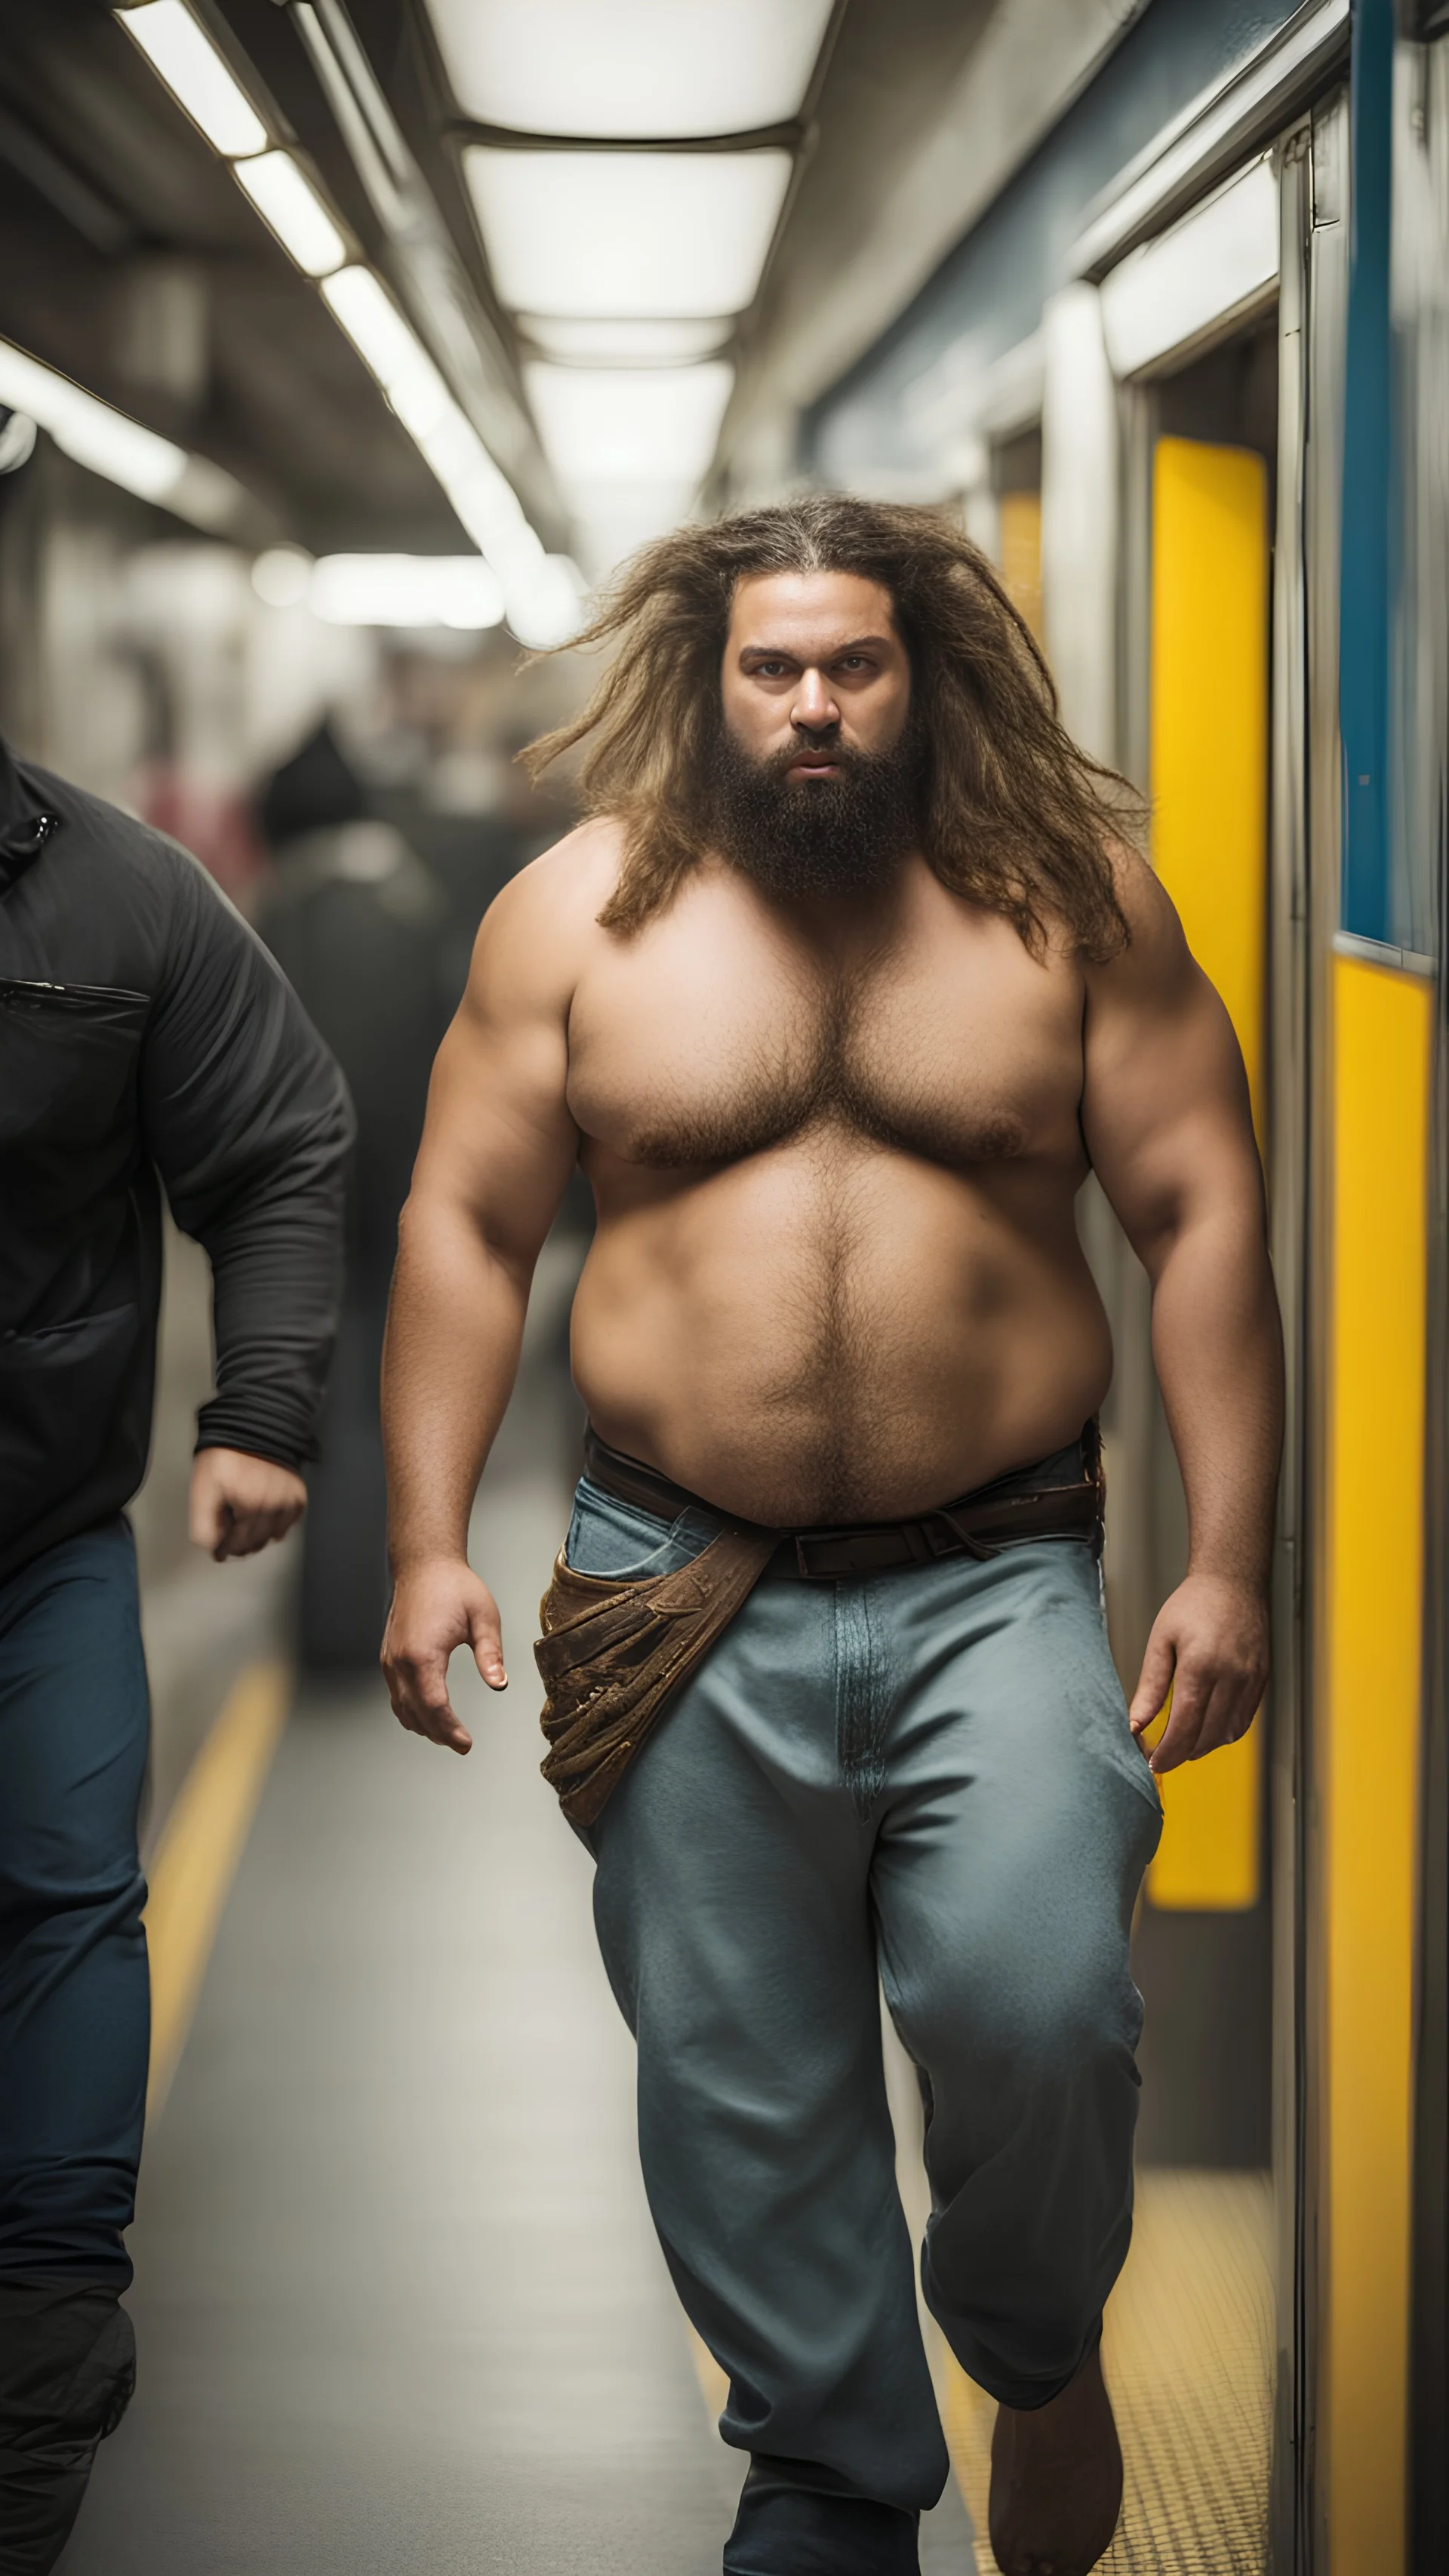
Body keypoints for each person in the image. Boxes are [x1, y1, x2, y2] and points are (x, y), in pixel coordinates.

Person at [379, 498, 1283, 2576]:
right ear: (706, 687)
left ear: (920, 676)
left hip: (1000, 1576)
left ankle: (1034, 2343)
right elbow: (467, 1222)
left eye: (851, 665)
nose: (812, 703)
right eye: (772, 667)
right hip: (679, 1584)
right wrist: (428, 1530)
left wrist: (1228, 1559)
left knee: (1040, 2005)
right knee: (744, 2091)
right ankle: (833, 2482)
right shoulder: (575, 920)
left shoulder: (1076, 911)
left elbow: (1201, 1216)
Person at [0, 734, 350, 2571]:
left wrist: (263, 1411)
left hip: (34, 1541)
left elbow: (280, 1140)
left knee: (63, 1900)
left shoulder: (120, 896)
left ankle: (39, 2369)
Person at [254, 719, 448, 1668]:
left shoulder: (278, 918)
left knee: (325, 1395)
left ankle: (330, 1622)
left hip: (301, 1190)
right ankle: (357, 1603)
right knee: (377, 1387)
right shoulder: (411, 911)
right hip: (403, 1178)